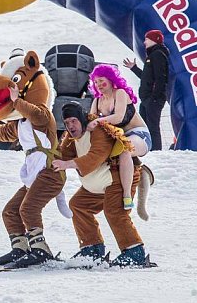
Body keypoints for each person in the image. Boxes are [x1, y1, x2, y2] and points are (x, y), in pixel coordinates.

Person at [0, 51, 71, 269]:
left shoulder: (43, 115)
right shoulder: (21, 122)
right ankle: (20, 248)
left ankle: (41, 249)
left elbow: (37, 113)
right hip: (35, 174)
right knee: (10, 210)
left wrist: (17, 101)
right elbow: (4, 133)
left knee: (28, 209)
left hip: (51, 172)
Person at [52, 102, 152, 267]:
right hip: (96, 184)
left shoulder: (98, 130)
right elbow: (63, 155)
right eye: (67, 122)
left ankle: (135, 252)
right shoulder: (71, 138)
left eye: (74, 121)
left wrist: (67, 164)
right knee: (78, 205)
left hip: (117, 177)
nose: (70, 126)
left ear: (82, 119)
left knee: (114, 211)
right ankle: (92, 249)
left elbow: (95, 157)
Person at [89, 64, 152, 210]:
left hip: (138, 134)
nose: (98, 85)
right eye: (96, 82)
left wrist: (96, 121)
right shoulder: (97, 101)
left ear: (111, 79)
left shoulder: (120, 93)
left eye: (101, 80)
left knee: (125, 150)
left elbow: (118, 117)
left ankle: (126, 195)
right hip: (117, 137)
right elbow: (90, 121)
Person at [123, 29, 169, 151]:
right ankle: (148, 149)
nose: (144, 42)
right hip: (146, 99)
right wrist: (134, 68)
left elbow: (161, 78)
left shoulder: (158, 54)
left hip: (152, 99)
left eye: (147, 39)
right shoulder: (152, 56)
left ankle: (157, 151)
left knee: (153, 127)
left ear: (155, 40)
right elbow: (146, 77)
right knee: (144, 127)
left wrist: (154, 97)